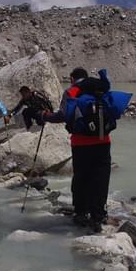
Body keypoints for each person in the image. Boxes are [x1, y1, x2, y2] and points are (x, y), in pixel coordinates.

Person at [42, 67, 112, 233]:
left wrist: (45, 116)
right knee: (101, 178)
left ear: (73, 79)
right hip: (103, 141)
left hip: (80, 144)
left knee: (81, 177)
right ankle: (98, 215)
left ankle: (81, 213)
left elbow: (64, 115)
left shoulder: (72, 91)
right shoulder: (99, 88)